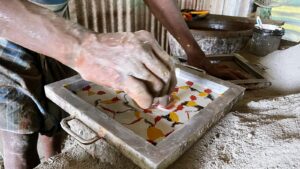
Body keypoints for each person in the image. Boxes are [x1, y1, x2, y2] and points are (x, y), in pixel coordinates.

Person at [0, 0, 245, 168]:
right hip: (7, 32)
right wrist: (83, 47)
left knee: (53, 120)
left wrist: (196, 55)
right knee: (19, 147)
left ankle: (52, 159)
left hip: (53, 22)